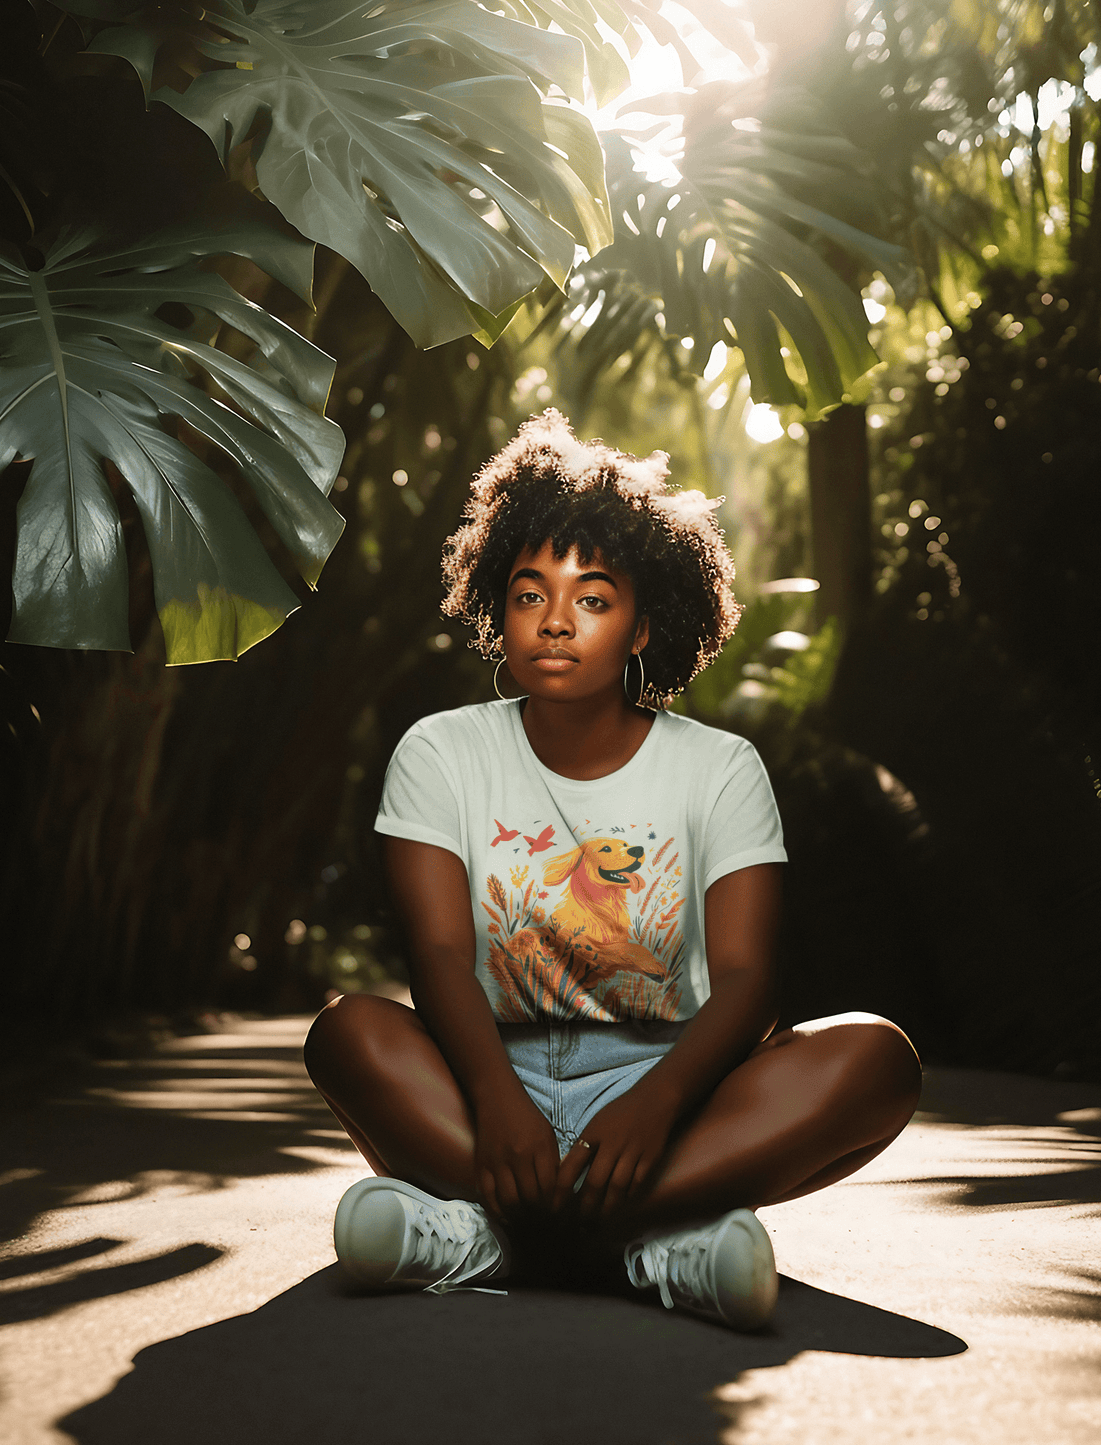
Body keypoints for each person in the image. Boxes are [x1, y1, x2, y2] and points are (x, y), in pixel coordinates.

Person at [304, 411, 922, 1331]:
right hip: (483, 1082)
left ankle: (493, 1241)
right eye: (528, 593)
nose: (555, 620)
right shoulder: (439, 752)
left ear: (641, 625)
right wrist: (500, 1102)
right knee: (346, 1031)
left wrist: (657, 1103)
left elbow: (750, 980)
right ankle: (654, 1250)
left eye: (592, 597)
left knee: (878, 1057)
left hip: (671, 1089)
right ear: (495, 607)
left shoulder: (718, 768)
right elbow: (435, 955)